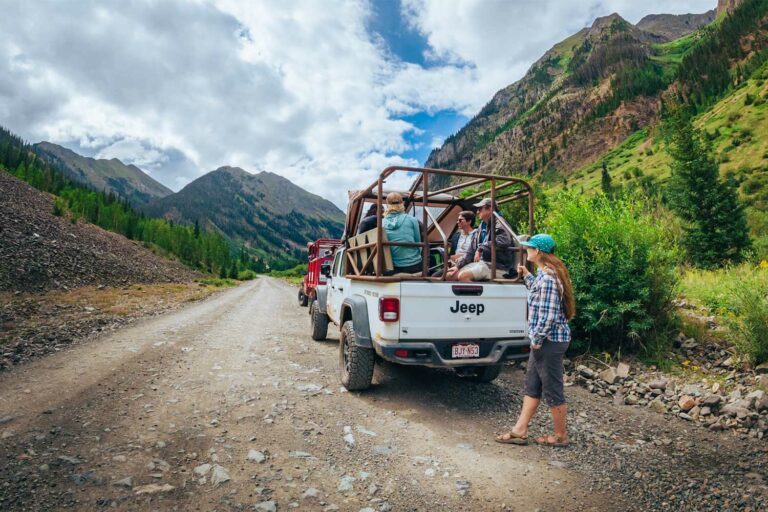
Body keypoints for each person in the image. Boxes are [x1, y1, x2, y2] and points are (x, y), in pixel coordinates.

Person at [495, 234, 576, 447]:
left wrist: (537, 339)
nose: (527, 250)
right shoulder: (543, 275)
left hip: (548, 342)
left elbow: (548, 316)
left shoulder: (548, 279)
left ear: (538, 252)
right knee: (533, 384)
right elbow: (539, 296)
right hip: (543, 341)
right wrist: (527, 276)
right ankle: (520, 430)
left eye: (529, 247)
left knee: (552, 388)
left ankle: (560, 436)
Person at [446, 198, 512, 281]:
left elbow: (504, 240)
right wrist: (457, 265)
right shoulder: (482, 226)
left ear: (490, 209)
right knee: (450, 275)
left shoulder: (500, 222)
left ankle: (473, 293)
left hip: (498, 265)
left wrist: (481, 248)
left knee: (463, 276)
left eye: (480, 209)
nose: (477, 212)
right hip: (483, 263)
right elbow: (470, 251)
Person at [382, 192, 422, 274]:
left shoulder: (382, 223)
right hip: (414, 265)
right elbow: (418, 243)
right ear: (402, 203)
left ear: (387, 204)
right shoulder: (412, 220)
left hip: (393, 267)